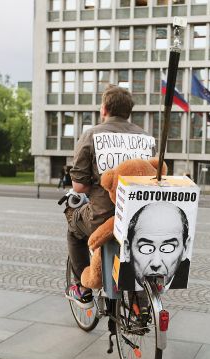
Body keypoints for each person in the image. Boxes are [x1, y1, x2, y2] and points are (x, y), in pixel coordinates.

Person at [64, 85, 154, 305]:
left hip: (102, 216)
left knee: (73, 226)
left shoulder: (92, 134)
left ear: (104, 109)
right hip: (137, 217)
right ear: (129, 112)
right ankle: (138, 305)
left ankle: (81, 288)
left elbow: (79, 186)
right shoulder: (144, 138)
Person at [120, 202, 191, 291]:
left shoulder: (182, 277)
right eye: (145, 247)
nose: (156, 263)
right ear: (127, 249)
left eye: (168, 247)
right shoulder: (116, 276)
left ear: (185, 248)